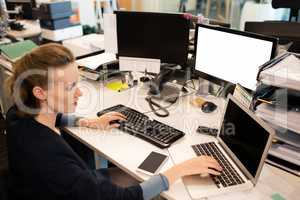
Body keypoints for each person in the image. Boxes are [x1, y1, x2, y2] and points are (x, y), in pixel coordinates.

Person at [5, 43, 222, 200]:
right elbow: (124, 198)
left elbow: (56, 116)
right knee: (163, 188)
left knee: (133, 174)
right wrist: (180, 169)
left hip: (43, 188)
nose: (79, 92)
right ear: (40, 92)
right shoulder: (50, 158)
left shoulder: (19, 113)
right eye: (69, 87)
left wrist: (88, 121)